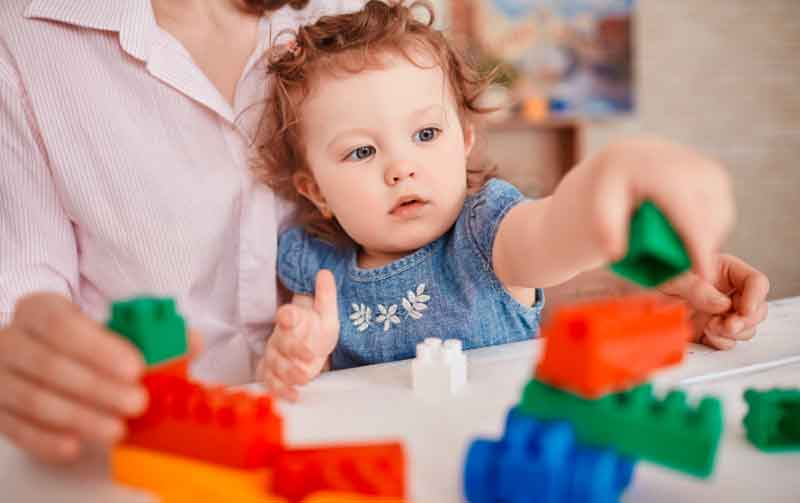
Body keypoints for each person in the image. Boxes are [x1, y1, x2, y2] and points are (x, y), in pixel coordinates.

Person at [254, 0, 770, 401]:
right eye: (362, 150)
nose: (401, 167)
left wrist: (617, 175)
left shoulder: (487, 234)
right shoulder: (316, 268)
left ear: (466, 139)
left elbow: (558, 227)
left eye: (427, 134)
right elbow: (309, 386)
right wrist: (294, 360)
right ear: (316, 190)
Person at [0, 0, 362, 463]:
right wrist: (36, 358)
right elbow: (24, 289)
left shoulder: (348, 9)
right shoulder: (22, 40)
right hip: (142, 458)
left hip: (339, 437)